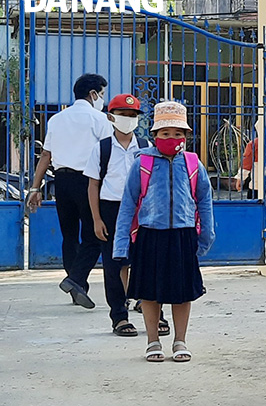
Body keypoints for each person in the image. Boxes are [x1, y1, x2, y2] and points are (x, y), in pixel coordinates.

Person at [113, 101, 215, 362]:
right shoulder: (142, 163)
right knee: (150, 292)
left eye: (178, 133)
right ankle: (153, 341)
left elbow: (204, 199)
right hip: (150, 235)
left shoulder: (193, 164)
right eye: (166, 133)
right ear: (155, 135)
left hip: (183, 235)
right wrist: (121, 244)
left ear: (186, 136)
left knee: (182, 293)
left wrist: (206, 235)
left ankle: (180, 341)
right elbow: (128, 205)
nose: (172, 138)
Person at [28, 73, 113, 309]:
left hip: (61, 182)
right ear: (94, 94)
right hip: (88, 182)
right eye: (103, 94)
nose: (103, 99)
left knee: (69, 235)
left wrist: (35, 187)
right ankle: (75, 279)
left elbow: (46, 155)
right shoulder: (99, 119)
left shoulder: (56, 119)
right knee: (95, 235)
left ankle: (78, 288)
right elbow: (108, 153)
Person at [84, 94, 155, 337]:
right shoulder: (101, 148)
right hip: (111, 210)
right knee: (115, 265)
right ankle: (119, 316)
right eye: (124, 115)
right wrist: (96, 218)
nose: (129, 120)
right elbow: (93, 185)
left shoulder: (146, 147)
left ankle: (153, 310)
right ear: (111, 117)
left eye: (133, 115)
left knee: (146, 262)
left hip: (141, 211)